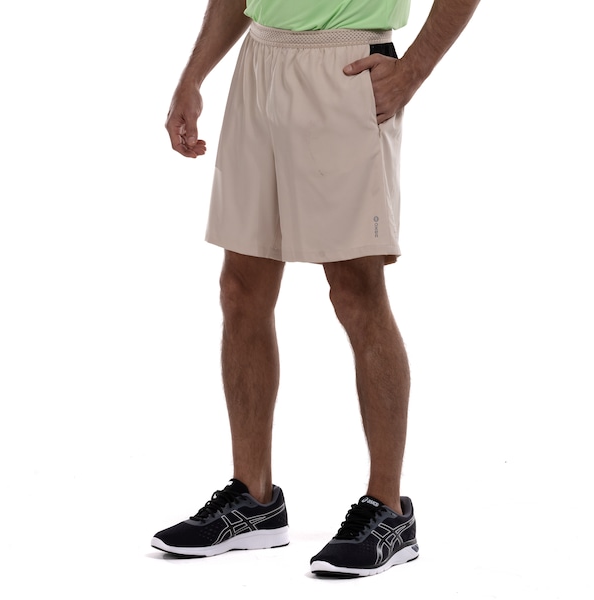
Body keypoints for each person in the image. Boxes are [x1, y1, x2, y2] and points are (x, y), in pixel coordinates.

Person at [151, 0, 480, 577]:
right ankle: (253, 499)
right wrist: (194, 75)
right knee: (241, 288)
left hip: (347, 65)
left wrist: (413, 70)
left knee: (355, 292)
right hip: (260, 62)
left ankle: (389, 510)